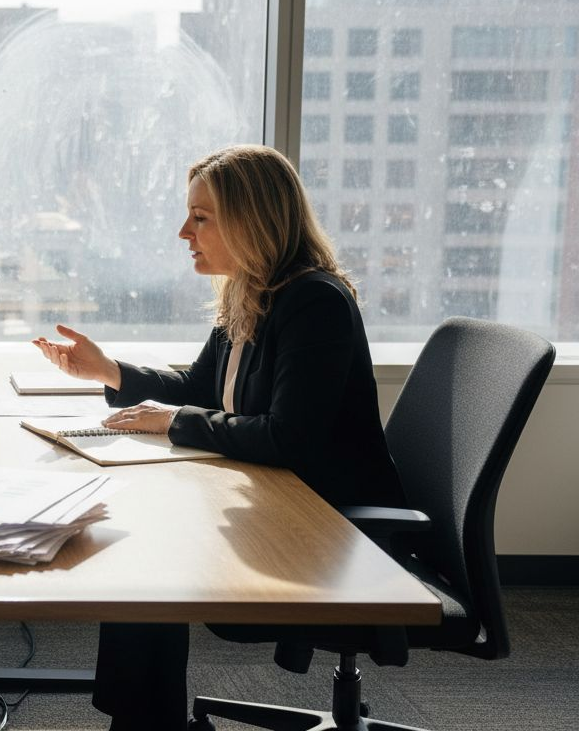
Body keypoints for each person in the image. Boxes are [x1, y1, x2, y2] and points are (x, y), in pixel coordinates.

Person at [33, 144, 405, 731]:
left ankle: (144, 724)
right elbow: (201, 385)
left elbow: (289, 438)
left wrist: (174, 422)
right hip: (272, 499)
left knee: (147, 551)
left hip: (328, 526)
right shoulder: (249, 293)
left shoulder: (314, 302)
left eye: (201, 217)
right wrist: (109, 372)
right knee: (143, 539)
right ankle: (144, 721)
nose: (185, 232)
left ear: (252, 220)